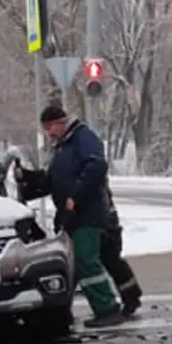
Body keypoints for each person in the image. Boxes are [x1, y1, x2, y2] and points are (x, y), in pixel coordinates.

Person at [39, 104, 126, 328]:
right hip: (73, 216)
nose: (48, 132)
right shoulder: (63, 146)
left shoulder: (82, 138)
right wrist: (29, 182)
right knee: (75, 265)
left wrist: (75, 195)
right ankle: (60, 312)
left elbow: (96, 167)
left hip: (88, 213)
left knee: (86, 261)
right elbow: (53, 180)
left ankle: (107, 308)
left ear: (60, 122)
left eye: (50, 127)